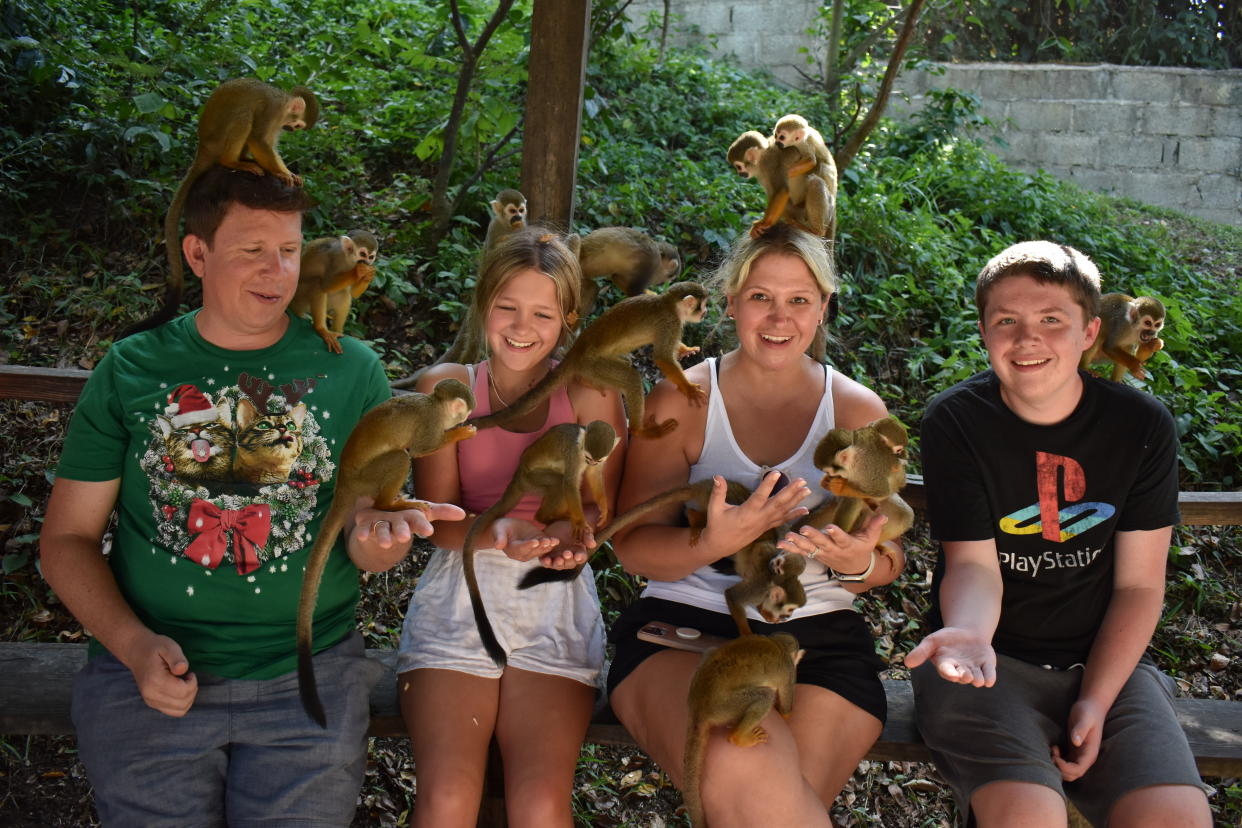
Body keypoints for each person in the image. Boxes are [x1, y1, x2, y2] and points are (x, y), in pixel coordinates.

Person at [39, 165, 462, 827]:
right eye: (251, 252)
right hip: (150, 674)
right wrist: (131, 646)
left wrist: (383, 541)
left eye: (290, 251)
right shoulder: (131, 369)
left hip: (308, 673)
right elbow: (66, 541)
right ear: (197, 253)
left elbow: (361, 528)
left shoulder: (352, 369)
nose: (277, 272)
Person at [606, 222, 904, 826]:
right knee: (750, 774)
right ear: (731, 302)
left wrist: (861, 564)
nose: (779, 317)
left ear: (822, 307)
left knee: (764, 807)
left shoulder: (857, 411)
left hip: (818, 644)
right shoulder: (681, 400)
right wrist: (715, 541)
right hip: (680, 632)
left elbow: (890, 555)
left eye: (799, 300)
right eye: (761, 297)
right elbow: (632, 547)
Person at [906, 240, 1212, 827]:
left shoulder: (1141, 426)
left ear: (1090, 331)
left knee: (1175, 817)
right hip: (987, 664)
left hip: (1107, 665)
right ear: (983, 331)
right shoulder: (958, 420)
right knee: (1026, 817)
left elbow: (1140, 588)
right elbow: (972, 564)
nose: (1028, 339)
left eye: (1052, 320)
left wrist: (1095, 701)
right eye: (1007, 321)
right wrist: (968, 634)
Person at [396, 228, 627, 827]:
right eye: (507, 307)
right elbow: (435, 519)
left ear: (567, 319)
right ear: (482, 306)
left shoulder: (589, 393)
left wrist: (573, 546)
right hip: (459, 594)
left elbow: (600, 515)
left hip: (551, 599)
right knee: (446, 801)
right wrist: (498, 534)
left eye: (542, 313)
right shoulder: (447, 389)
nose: (522, 326)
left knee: (540, 806)